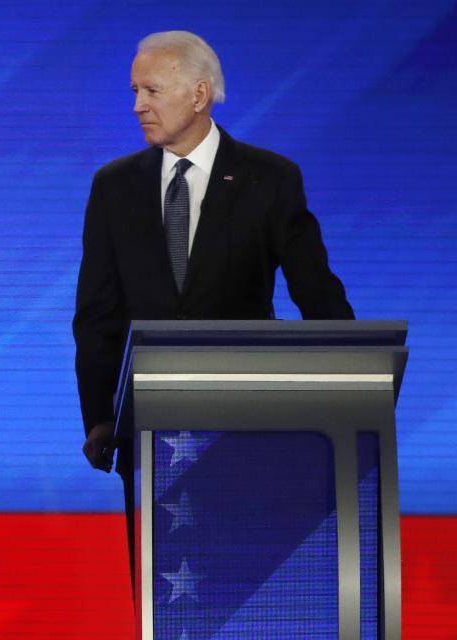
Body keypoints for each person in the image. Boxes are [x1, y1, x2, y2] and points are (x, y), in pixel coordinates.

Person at [72, 31, 354, 580]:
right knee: (162, 593)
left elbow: (316, 293)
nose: (137, 106)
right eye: (134, 91)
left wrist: (346, 386)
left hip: (245, 423)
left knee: (246, 587)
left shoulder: (269, 179)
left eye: (151, 90)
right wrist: (100, 418)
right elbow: (97, 316)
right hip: (150, 430)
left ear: (198, 94)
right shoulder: (113, 186)